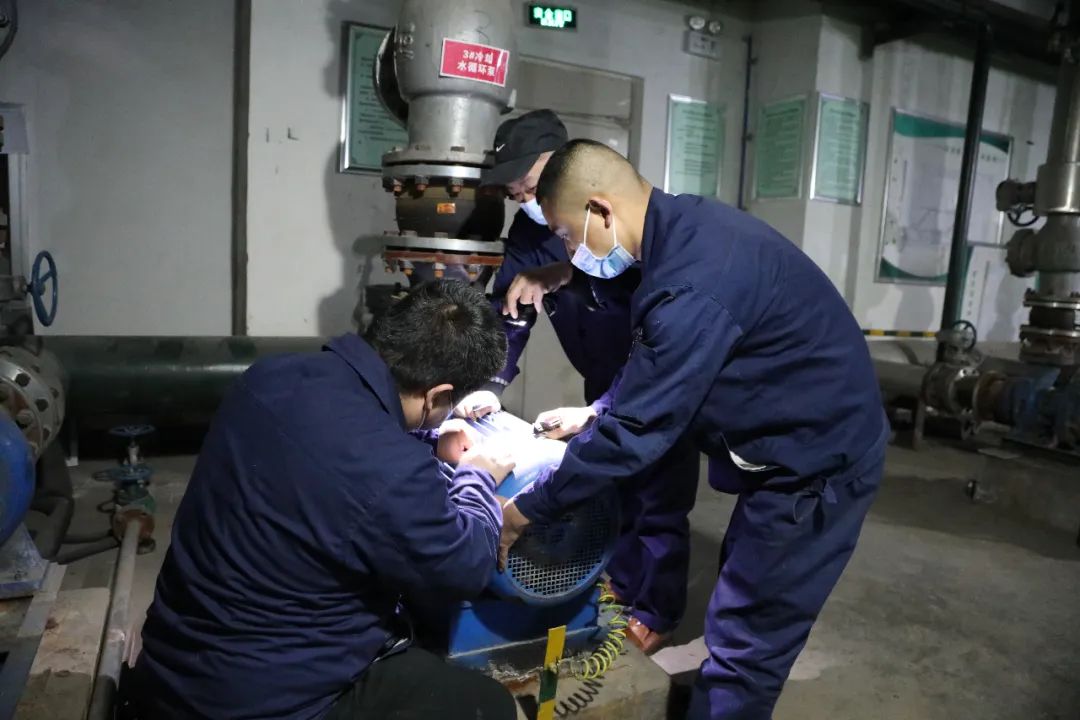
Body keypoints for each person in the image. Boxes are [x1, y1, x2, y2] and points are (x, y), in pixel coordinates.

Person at [498, 140, 888, 719]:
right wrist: (597, 410)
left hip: (815, 462)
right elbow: (655, 357)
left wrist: (528, 510)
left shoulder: (692, 281)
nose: (570, 255)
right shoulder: (680, 230)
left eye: (568, 236)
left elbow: (638, 431)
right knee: (741, 599)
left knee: (745, 643)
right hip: (778, 445)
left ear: (601, 210)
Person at [123, 281, 518, 720]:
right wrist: (478, 477)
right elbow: (464, 566)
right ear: (438, 396)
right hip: (256, 704)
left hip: (172, 666)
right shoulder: (392, 470)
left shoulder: (269, 376)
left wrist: (428, 438)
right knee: (489, 707)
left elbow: (333, 451)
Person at [453, 109, 699, 653]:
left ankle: (657, 612)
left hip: (657, 376)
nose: (521, 196)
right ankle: (620, 582)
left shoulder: (627, 227)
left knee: (659, 496)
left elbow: (657, 327)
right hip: (600, 375)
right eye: (514, 190)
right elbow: (513, 308)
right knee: (612, 486)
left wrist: (566, 271)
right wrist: (491, 382)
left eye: (529, 183)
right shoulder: (528, 229)